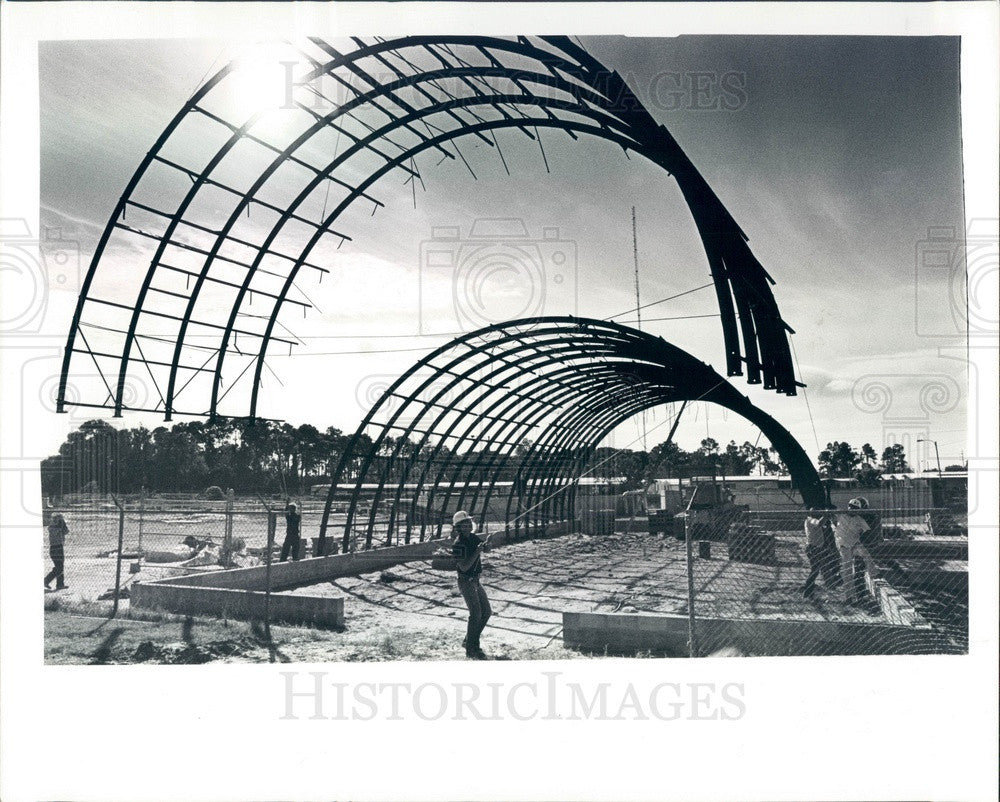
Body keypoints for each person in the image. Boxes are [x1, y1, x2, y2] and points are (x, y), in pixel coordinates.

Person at [450, 510, 492, 659]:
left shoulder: (473, 538)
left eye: (468, 523)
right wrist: (477, 551)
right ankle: (472, 649)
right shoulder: (458, 544)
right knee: (476, 613)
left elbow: (484, 549)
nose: (467, 526)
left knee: (486, 612)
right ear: (458, 528)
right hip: (465, 581)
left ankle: (469, 640)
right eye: (463, 524)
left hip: (475, 581)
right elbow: (464, 567)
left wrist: (486, 547)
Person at [833, 499, 877, 604]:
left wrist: (862, 535)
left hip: (854, 543)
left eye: (856, 509)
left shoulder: (859, 519)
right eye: (851, 507)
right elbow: (831, 512)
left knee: (866, 554)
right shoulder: (841, 514)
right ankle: (849, 597)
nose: (853, 510)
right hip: (843, 545)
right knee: (847, 570)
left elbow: (868, 531)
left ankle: (874, 573)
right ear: (848, 506)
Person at [801, 507, 841, 597]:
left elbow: (824, 524)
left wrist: (827, 516)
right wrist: (826, 514)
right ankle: (808, 590)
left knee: (818, 568)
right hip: (813, 548)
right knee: (816, 570)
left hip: (816, 548)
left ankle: (810, 590)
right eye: (817, 513)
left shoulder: (811, 520)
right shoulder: (811, 520)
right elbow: (819, 523)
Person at [44, 512, 69, 590]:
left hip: (59, 547)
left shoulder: (58, 526)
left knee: (60, 566)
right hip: (55, 548)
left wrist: (63, 524)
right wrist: (61, 524)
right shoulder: (52, 527)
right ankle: (46, 581)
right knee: (59, 567)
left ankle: (60, 584)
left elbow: (66, 531)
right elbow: (57, 532)